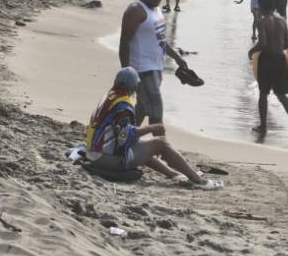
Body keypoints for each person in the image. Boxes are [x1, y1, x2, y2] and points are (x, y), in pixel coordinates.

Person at [84, 67, 221, 189]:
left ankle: (174, 174)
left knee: (145, 146)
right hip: (106, 159)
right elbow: (123, 138)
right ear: (134, 87)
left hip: (93, 153)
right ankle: (198, 180)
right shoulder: (123, 106)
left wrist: (141, 135)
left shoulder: (109, 98)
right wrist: (152, 128)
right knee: (161, 143)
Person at [117, 0, 189, 125]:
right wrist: (126, 71)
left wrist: (177, 58)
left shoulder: (156, 10)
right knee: (156, 109)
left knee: (143, 107)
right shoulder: (136, 11)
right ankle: (160, 143)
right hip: (142, 70)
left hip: (156, 67)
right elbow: (124, 42)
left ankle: (127, 137)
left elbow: (161, 40)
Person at [249, 0, 288, 144]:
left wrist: (252, 51)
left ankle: (263, 126)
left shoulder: (262, 22)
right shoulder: (282, 20)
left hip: (267, 59)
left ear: (262, 6)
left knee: (263, 93)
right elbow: (287, 44)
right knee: (281, 94)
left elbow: (263, 42)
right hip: (280, 59)